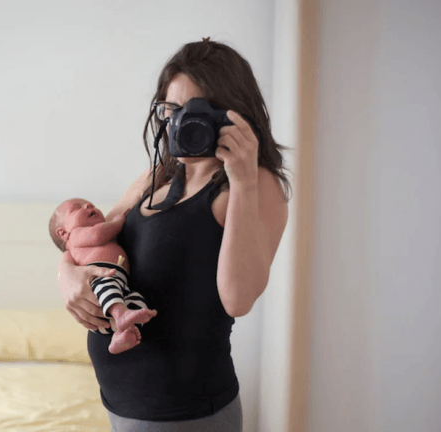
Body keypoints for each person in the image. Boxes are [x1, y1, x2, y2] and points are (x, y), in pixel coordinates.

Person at [56, 38, 291, 431]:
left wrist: (244, 178)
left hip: (187, 415)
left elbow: (238, 299)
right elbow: (93, 235)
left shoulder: (256, 185)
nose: (179, 124)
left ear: (232, 114)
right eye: (171, 110)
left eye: (196, 111)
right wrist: (65, 273)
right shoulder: (159, 174)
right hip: (122, 407)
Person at [49, 198, 157, 354]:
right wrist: (118, 221)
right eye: (77, 208)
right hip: (99, 281)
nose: (89, 205)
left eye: (91, 204)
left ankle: (121, 332)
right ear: (63, 233)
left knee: (137, 301)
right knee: (106, 284)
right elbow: (98, 235)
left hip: (115, 292)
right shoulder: (76, 235)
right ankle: (121, 316)